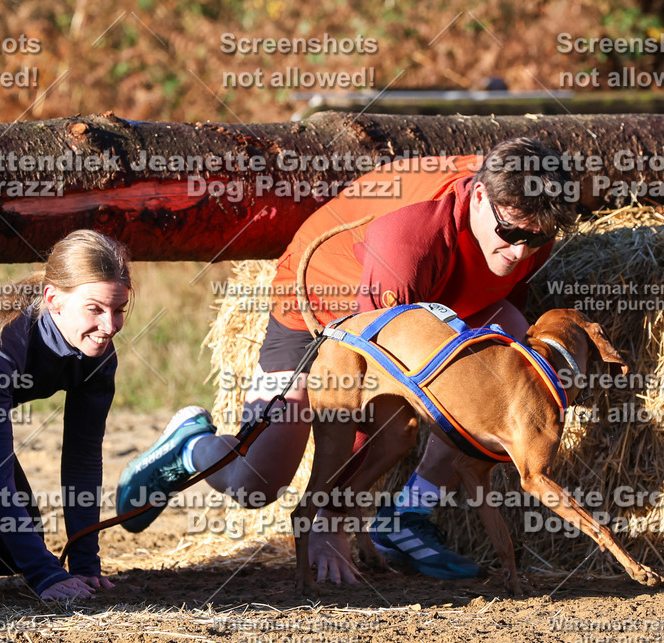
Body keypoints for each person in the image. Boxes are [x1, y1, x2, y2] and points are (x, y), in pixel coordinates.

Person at [116, 137, 577, 582]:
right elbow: (368, 388)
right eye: (511, 234)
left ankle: (409, 513)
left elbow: (503, 309)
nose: (520, 252)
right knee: (258, 481)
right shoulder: (410, 239)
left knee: (510, 335)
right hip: (321, 304)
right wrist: (330, 521)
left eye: (535, 241)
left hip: (427, 301)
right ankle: (190, 446)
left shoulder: (529, 220)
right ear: (479, 196)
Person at [0, 229, 131, 600]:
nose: (110, 327)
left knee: (7, 549)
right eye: (95, 309)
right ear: (53, 299)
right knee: (26, 547)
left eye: (119, 310)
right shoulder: (0, 342)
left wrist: (85, 560)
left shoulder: (100, 357)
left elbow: (82, 460)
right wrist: (44, 575)